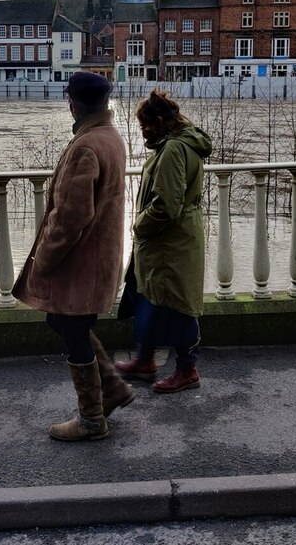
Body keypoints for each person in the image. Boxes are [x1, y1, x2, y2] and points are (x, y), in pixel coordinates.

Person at [12, 72, 134, 442]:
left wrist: (44, 260)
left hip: (80, 262)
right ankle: (111, 387)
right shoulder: (110, 137)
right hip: (99, 256)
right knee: (65, 324)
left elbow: (70, 217)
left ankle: (92, 419)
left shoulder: (85, 147)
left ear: (72, 102)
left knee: (71, 330)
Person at [117, 89, 213, 393]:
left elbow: (166, 206)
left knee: (176, 304)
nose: (143, 132)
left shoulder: (172, 150)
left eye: (145, 126)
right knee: (149, 297)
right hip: (174, 239)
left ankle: (187, 370)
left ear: (159, 121)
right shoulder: (181, 144)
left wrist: (139, 226)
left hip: (170, 241)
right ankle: (145, 359)